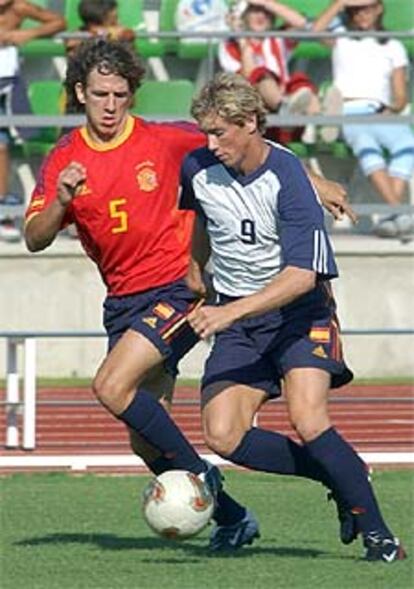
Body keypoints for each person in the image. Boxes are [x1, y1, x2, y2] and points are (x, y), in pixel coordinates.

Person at [23, 38, 354, 551]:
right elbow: (35, 237)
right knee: (144, 437)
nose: (111, 105)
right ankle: (240, 514)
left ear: (131, 94)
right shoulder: (64, 159)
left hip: (179, 287)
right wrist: (61, 199)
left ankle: (202, 476)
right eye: (100, 95)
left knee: (111, 386)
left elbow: (252, 148)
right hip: (124, 301)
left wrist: (315, 180)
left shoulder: (165, 139)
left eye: (120, 94)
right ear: (79, 93)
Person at [181, 72, 406, 562]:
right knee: (223, 435)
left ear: (251, 124)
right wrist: (195, 269)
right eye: (206, 133)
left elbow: (304, 275)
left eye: (220, 133)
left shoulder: (288, 181)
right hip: (240, 321)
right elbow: (202, 214)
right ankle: (340, 474)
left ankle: (382, 539)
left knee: (308, 419)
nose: (210, 143)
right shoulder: (196, 166)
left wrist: (226, 312)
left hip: (299, 314)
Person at [312, 0, 414, 240]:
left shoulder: (393, 46)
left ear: (379, 8)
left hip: (379, 110)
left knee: (407, 145)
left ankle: (394, 216)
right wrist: (341, 3)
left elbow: (399, 95)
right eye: (355, 10)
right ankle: (399, 212)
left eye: (366, 7)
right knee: (367, 147)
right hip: (347, 109)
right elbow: (314, 31)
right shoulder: (341, 37)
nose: (361, 14)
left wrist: (392, 108)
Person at [0, 0, 65, 241]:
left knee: (2, 145)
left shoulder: (19, 8)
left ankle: (4, 214)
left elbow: (59, 21)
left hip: (5, 83)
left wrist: (28, 33)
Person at [218, 0, 321, 144]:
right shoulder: (230, 46)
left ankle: (316, 124)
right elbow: (248, 77)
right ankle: (286, 109)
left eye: (266, 11)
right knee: (262, 74)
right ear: (244, 15)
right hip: (256, 109)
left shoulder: (278, 38)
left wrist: (267, 2)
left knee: (301, 82)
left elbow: (303, 24)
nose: (262, 16)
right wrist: (242, 39)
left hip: (288, 100)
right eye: (255, 11)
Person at [65, 0, 135, 58]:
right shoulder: (77, 37)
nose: (117, 23)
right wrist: (101, 35)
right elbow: (75, 61)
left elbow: (129, 59)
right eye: (113, 19)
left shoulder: (122, 34)